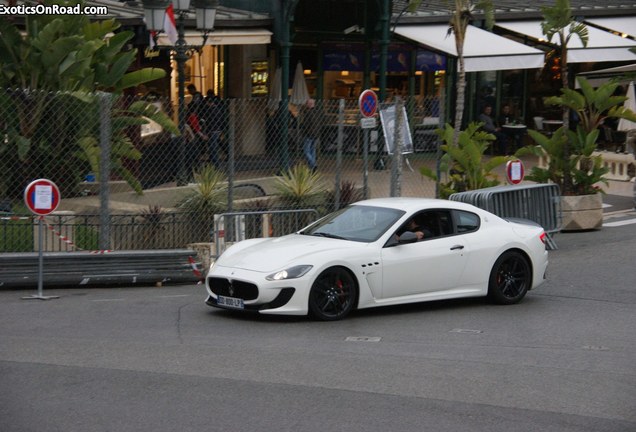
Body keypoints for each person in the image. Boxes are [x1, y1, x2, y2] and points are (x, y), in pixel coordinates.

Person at [199, 90, 224, 169]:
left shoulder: (211, 110)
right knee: (213, 148)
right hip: (216, 130)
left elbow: (210, 122)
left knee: (213, 149)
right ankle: (214, 165)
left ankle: (216, 166)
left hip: (212, 131)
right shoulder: (217, 109)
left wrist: (206, 132)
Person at [300, 98, 323, 172]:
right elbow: (321, 122)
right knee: (313, 150)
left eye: (307, 103)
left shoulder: (307, 113)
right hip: (316, 134)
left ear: (308, 104)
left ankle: (313, 164)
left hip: (308, 134)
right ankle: (312, 167)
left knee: (306, 151)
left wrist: (303, 131)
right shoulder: (318, 112)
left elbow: (305, 124)